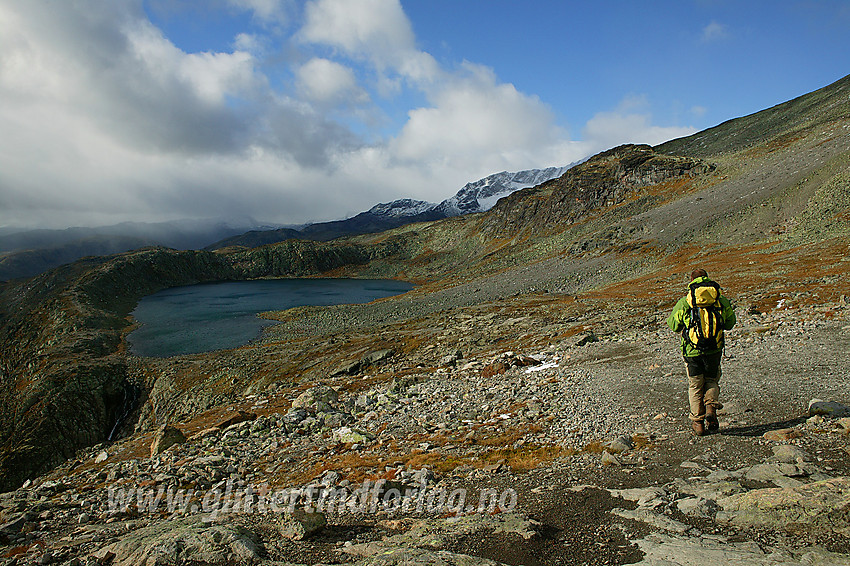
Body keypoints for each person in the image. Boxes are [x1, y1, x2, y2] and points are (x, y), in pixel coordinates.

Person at [667, 269, 736, 436]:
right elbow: (730, 323)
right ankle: (711, 407)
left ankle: (698, 423)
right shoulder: (720, 300)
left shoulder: (685, 302)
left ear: (691, 280)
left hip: (692, 351)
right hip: (714, 349)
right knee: (712, 379)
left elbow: (673, 325)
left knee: (695, 385)